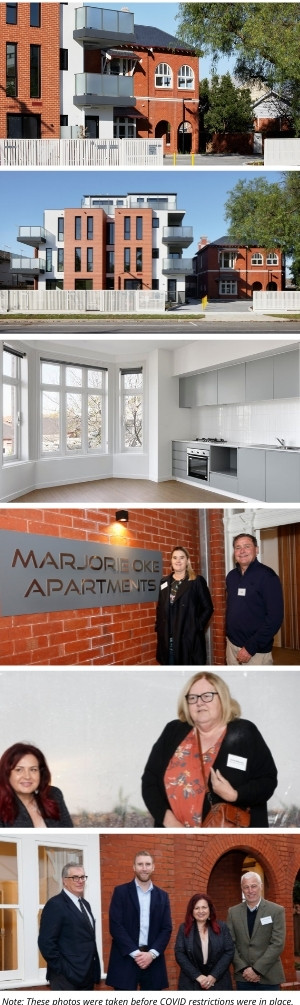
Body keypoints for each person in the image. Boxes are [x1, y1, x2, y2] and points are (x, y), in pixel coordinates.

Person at [141, 672, 277, 827]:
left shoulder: (245, 732)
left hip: (229, 835)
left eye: (207, 696)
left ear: (222, 699)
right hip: (174, 835)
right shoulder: (173, 731)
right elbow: (150, 781)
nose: (199, 703)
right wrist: (171, 824)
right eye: (193, 698)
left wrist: (235, 795)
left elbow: (267, 780)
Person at [106, 850, 172, 990]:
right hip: (126, 959)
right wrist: (137, 954)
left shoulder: (163, 896)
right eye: (140, 864)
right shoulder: (120, 892)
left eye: (147, 864)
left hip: (153, 961)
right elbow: (115, 925)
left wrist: (151, 955)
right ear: (134, 867)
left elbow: (166, 928)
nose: (144, 868)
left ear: (153, 867)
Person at [38, 862, 101, 990]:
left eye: (82, 877)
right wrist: (64, 970)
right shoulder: (55, 904)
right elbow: (46, 943)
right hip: (66, 978)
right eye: (75, 877)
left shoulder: (85, 904)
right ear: (64, 881)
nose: (80, 881)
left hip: (87, 976)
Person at [226, 533, 284, 665]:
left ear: (256, 550)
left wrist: (250, 648)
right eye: (238, 547)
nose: (242, 551)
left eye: (247, 546)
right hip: (232, 646)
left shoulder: (268, 576)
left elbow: (275, 618)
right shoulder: (231, 576)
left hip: (255, 651)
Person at [155, 545, 213, 665]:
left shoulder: (196, 581)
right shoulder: (164, 582)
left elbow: (208, 608)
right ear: (171, 561)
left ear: (187, 561)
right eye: (175, 557)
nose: (178, 561)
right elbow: (160, 607)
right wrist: (159, 626)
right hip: (167, 638)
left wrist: (196, 626)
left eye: (182, 557)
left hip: (188, 638)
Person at [227, 871, 285, 990]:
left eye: (253, 886)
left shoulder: (276, 910)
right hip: (243, 977)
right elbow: (230, 943)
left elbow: (277, 943)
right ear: (242, 889)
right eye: (246, 887)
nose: (250, 890)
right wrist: (244, 969)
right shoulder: (233, 912)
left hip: (269, 976)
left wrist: (256, 970)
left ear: (261, 886)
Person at [0, 742, 73, 827]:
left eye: (33, 770)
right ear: (6, 773)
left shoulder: (53, 795)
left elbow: (70, 834)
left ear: (41, 773)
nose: (27, 776)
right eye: (19, 770)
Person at [175, 893, 234, 990]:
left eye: (204, 907)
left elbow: (229, 951)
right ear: (192, 911)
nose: (201, 911)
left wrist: (214, 975)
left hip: (219, 982)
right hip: (191, 983)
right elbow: (179, 953)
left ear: (210, 909)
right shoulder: (184, 928)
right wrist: (197, 976)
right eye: (196, 908)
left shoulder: (222, 927)